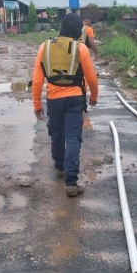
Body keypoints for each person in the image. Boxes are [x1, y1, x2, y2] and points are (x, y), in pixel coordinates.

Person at [31, 13, 99, 197]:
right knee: (73, 138)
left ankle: (60, 166)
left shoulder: (44, 47)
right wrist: (94, 96)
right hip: (75, 99)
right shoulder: (81, 48)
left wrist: (37, 104)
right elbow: (91, 77)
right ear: (76, 28)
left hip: (53, 99)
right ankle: (71, 183)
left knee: (57, 133)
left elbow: (37, 80)